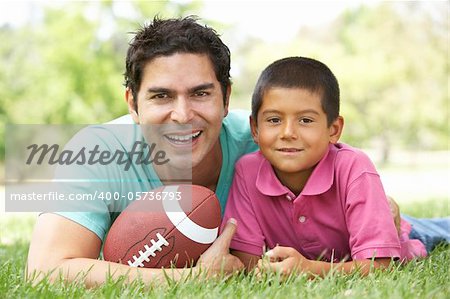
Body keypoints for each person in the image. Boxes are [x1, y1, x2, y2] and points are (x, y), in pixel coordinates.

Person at [26, 16, 445, 286]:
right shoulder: (95, 152)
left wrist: (375, 204)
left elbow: (340, 163)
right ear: (132, 104)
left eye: (201, 93)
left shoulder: (263, 141)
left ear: (226, 98)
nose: (182, 114)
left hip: (341, 229)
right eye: (160, 96)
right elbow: (46, 269)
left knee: (426, 229)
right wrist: (192, 280)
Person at [221, 56, 450, 278]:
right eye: (273, 120)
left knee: (440, 230)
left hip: (396, 233)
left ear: (334, 129)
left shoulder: (354, 166)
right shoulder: (247, 171)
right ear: (255, 128)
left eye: (306, 120)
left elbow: (380, 265)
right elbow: (248, 262)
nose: (288, 133)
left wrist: (309, 270)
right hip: (358, 231)